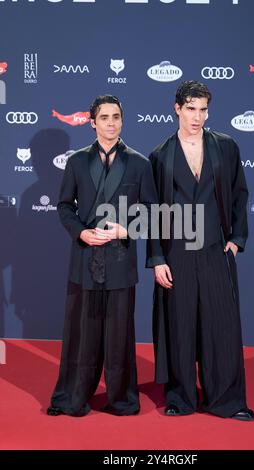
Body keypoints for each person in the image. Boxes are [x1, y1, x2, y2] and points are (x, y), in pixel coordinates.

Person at [146, 81, 254, 421]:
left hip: (213, 248)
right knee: (179, 327)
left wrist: (236, 238)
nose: (197, 116)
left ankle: (227, 400)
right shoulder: (160, 154)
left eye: (203, 109)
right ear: (177, 108)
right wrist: (157, 258)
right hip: (176, 250)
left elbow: (239, 194)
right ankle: (180, 397)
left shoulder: (226, 147)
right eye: (191, 108)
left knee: (221, 326)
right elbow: (151, 211)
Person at [47, 94, 159, 417]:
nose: (111, 123)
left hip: (121, 259)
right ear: (92, 122)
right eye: (105, 117)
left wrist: (124, 230)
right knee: (81, 333)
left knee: (119, 334)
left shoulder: (139, 163)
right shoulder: (77, 161)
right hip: (84, 258)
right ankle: (73, 395)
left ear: (122, 121)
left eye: (116, 117)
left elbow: (153, 213)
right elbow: (65, 207)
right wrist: (81, 232)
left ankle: (121, 398)